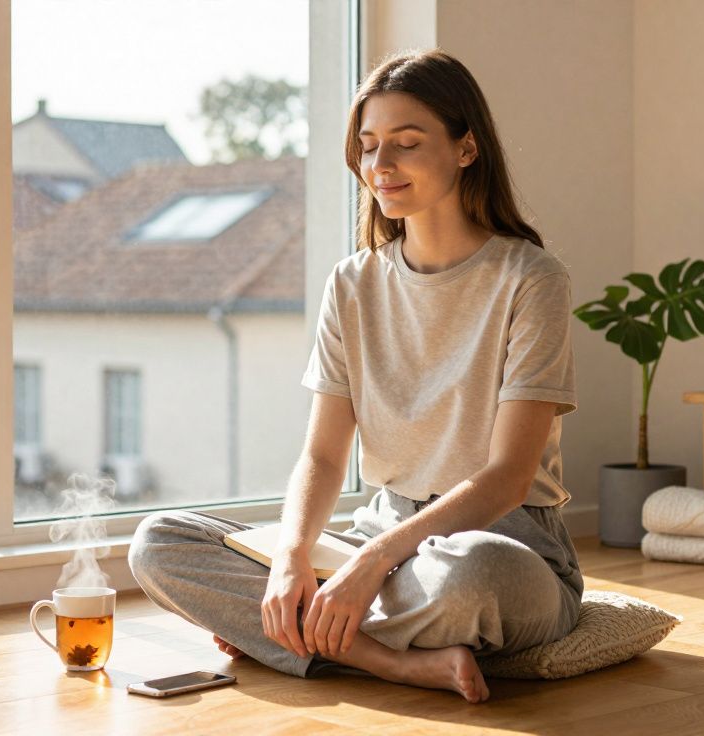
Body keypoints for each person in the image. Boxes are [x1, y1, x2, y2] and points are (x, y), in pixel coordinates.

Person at [127, 48, 583, 704]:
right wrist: (290, 559)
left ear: (465, 148)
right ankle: (389, 660)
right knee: (158, 543)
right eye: (368, 146)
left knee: (470, 580)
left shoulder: (531, 279)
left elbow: (509, 476)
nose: (380, 165)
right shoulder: (352, 282)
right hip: (380, 530)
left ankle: (300, 636)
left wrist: (371, 565)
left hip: (501, 543)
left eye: (405, 143)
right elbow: (321, 454)